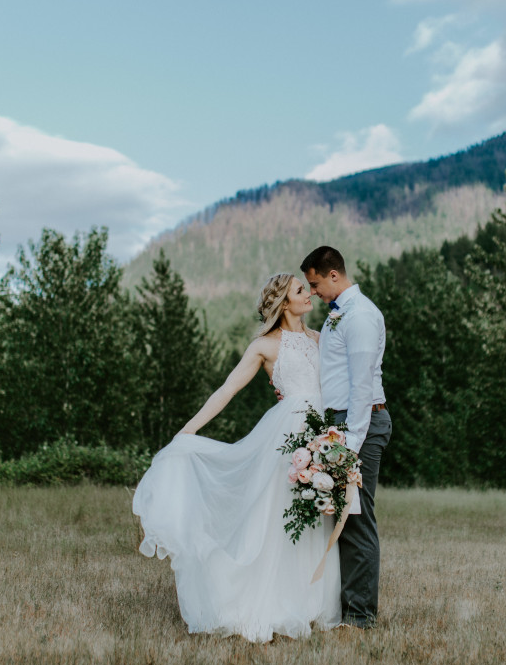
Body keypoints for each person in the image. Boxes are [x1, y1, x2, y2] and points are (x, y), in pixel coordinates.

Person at [132, 273, 341, 643]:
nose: (308, 294)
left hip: (323, 433)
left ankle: (310, 602)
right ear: (283, 303)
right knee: (280, 519)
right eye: (299, 290)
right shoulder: (265, 346)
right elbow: (227, 389)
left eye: (307, 288)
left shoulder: (320, 339)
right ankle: (267, 600)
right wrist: (188, 430)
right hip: (288, 436)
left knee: (315, 517)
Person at [300, 246, 389, 629]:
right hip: (341, 425)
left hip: (361, 425)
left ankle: (359, 618)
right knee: (342, 517)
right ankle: (345, 608)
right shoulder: (339, 314)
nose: (314, 292)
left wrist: (349, 447)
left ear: (332, 275)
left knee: (357, 519)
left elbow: (361, 388)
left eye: (315, 284)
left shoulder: (363, 316)